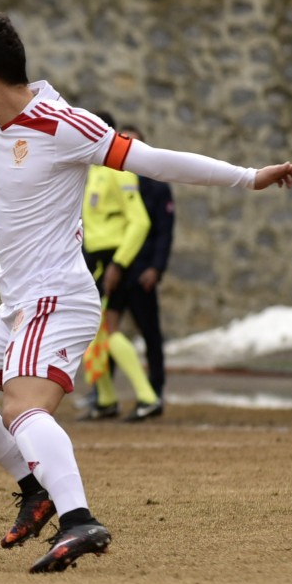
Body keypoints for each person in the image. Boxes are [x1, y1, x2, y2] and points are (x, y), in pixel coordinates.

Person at [0, 12, 292, 573]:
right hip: (20, 305)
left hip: (57, 298)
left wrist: (247, 176)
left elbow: (154, 161)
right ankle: (35, 488)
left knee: (23, 407)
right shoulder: (6, 126)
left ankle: (78, 520)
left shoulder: (62, 123)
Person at [78, 110, 162, 423]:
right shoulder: (92, 169)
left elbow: (140, 222)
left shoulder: (117, 169)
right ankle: (106, 399)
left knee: (109, 329)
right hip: (95, 260)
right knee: (92, 330)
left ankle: (148, 397)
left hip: (113, 261)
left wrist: (118, 263)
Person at [119, 123, 175, 406]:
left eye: (135, 145)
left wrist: (156, 268)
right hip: (115, 268)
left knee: (150, 333)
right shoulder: (111, 181)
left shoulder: (157, 187)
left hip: (142, 272)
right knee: (105, 333)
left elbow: (164, 232)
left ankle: (155, 389)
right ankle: (102, 394)